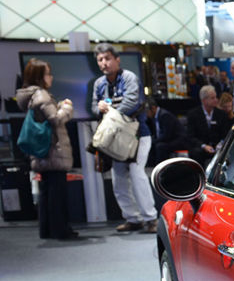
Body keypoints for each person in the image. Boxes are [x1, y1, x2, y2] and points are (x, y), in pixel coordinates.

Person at [92, 43, 157, 233]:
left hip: (137, 135)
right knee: (118, 179)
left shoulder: (129, 78)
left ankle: (151, 218)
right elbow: (93, 107)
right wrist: (100, 108)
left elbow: (132, 103)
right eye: (100, 60)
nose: (104, 63)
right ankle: (133, 218)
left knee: (137, 174)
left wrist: (110, 113)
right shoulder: (99, 84)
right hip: (115, 139)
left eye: (107, 58)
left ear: (117, 59)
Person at [16, 59, 77, 240]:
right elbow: (56, 119)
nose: (51, 77)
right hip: (53, 151)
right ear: (39, 77)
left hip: (43, 152)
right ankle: (60, 230)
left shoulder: (31, 96)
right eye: (48, 74)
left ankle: (47, 230)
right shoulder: (42, 95)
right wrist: (66, 107)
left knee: (46, 192)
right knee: (57, 194)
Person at [186, 85, 229, 167]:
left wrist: (220, 144)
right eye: (212, 98)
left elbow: (225, 134)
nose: (216, 100)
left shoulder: (221, 114)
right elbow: (190, 136)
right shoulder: (193, 114)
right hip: (201, 147)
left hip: (217, 146)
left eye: (216, 97)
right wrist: (204, 146)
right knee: (196, 153)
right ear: (204, 100)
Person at [144, 95, 186, 166]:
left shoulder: (165, 115)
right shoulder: (154, 117)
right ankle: (150, 166)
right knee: (151, 145)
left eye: (147, 112)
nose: (146, 115)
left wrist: (154, 141)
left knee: (160, 146)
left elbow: (167, 135)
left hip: (177, 140)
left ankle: (159, 167)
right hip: (168, 140)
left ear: (153, 108)